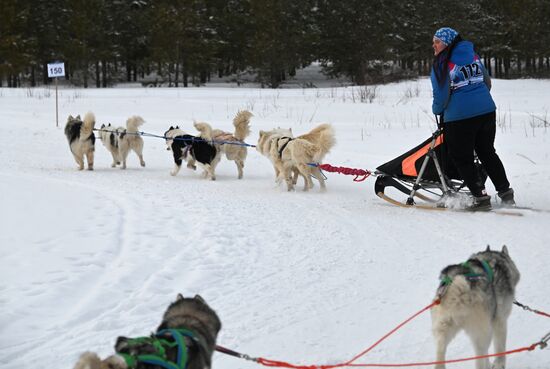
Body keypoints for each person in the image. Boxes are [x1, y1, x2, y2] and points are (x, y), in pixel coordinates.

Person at [430, 27, 515, 208]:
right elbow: (486, 82)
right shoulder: (473, 56)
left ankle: (480, 197)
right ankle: (506, 192)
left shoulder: (441, 64)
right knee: (487, 152)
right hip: (486, 111)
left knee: (462, 158)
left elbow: (441, 96)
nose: (434, 46)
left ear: (447, 43)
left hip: (460, 117)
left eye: (437, 42)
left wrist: (437, 110)